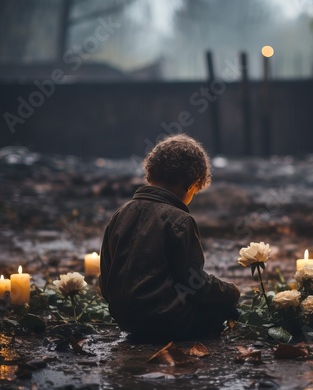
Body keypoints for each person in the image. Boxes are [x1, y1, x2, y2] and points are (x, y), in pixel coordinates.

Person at [99, 134, 240, 342]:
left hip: (124, 319)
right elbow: (195, 283)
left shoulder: (120, 213)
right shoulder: (180, 220)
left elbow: (106, 277)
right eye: (195, 191)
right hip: (167, 320)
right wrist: (231, 291)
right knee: (225, 309)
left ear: (150, 174)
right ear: (192, 183)